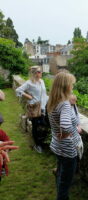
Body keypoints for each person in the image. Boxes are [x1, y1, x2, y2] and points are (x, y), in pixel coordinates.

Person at [47, 72, 82, 200]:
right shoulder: (64, 104)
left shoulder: (53, 101)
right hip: (68, 148)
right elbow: (66, 125)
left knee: (61, 175)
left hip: (58, 146)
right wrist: (74, 130)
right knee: (65, 183)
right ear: (66, 86)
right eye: (71, 84)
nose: (72, 87)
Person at [16, 66, 48, 153]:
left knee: (43, 126)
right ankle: (37, 145)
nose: (41, 73)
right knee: (36, 127)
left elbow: (44, 94)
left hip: (43, 107)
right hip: (34, 107)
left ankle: (41, 143)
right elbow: (18, 90)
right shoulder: (29, 83)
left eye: (41, 71)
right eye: (39, 71)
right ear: (34, 73)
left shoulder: (42, 81)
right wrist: (28, 96)